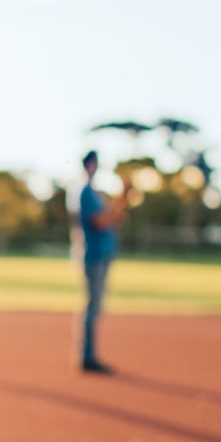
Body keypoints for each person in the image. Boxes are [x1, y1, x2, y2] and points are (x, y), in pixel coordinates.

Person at [75, 150, 128, 373]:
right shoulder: (85, 192)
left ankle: (89, 355)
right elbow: (101, 221)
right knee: (92, 306)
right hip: (94, 255)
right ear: (85, 165)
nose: (93, 167)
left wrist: (123, 197)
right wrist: (120, 201)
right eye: (91, 163)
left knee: (96, 307)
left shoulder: (97, 193)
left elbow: (115, 217)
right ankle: (87, 357)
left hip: (103, 255)